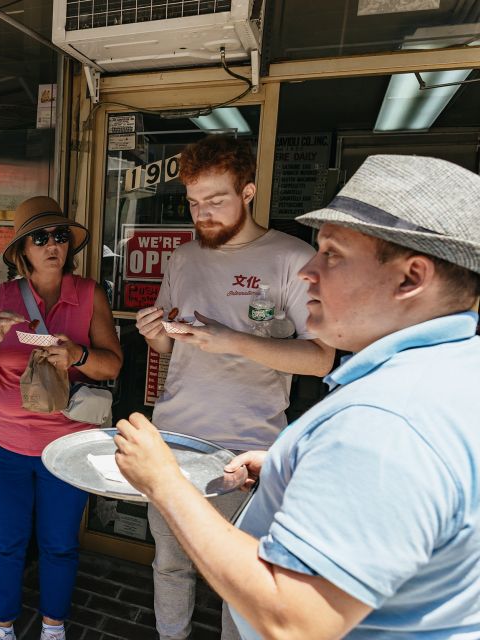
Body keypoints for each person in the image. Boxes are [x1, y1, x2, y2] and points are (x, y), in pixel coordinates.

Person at [115, 154, 480, 638]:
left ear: (411, 278)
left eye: (332, 253)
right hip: (183, 432)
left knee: (232, 587)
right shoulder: (448, 369)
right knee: (173, 564)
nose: (310, 269)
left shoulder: (386, 419)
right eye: (193, 202)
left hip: (233, 442)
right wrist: (293, 457)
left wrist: (163, 482)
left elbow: (290, 617)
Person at [134, 135, 335, 639]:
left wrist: (234, 341)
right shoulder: (182, 258)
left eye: (216, 200)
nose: (202, 214)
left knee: (241, 581)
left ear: (248, 192)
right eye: (194, 202)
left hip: (246, 451)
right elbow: (169, 350)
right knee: (171, 564)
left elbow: (320, 358)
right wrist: (158, 336)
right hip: (172, 442)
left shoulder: (292, 258)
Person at [0, 196, 123, 640]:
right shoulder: (0, 297)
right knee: (6, 541)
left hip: (68, 448)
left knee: (59, 543)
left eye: (59, 236)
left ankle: (53, 626)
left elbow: (112, 365)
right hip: (4, 444)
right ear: (22, 251)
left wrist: (78, 353)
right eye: (40, 237)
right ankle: (1, 625)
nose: (52, 244)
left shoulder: (89, 294)